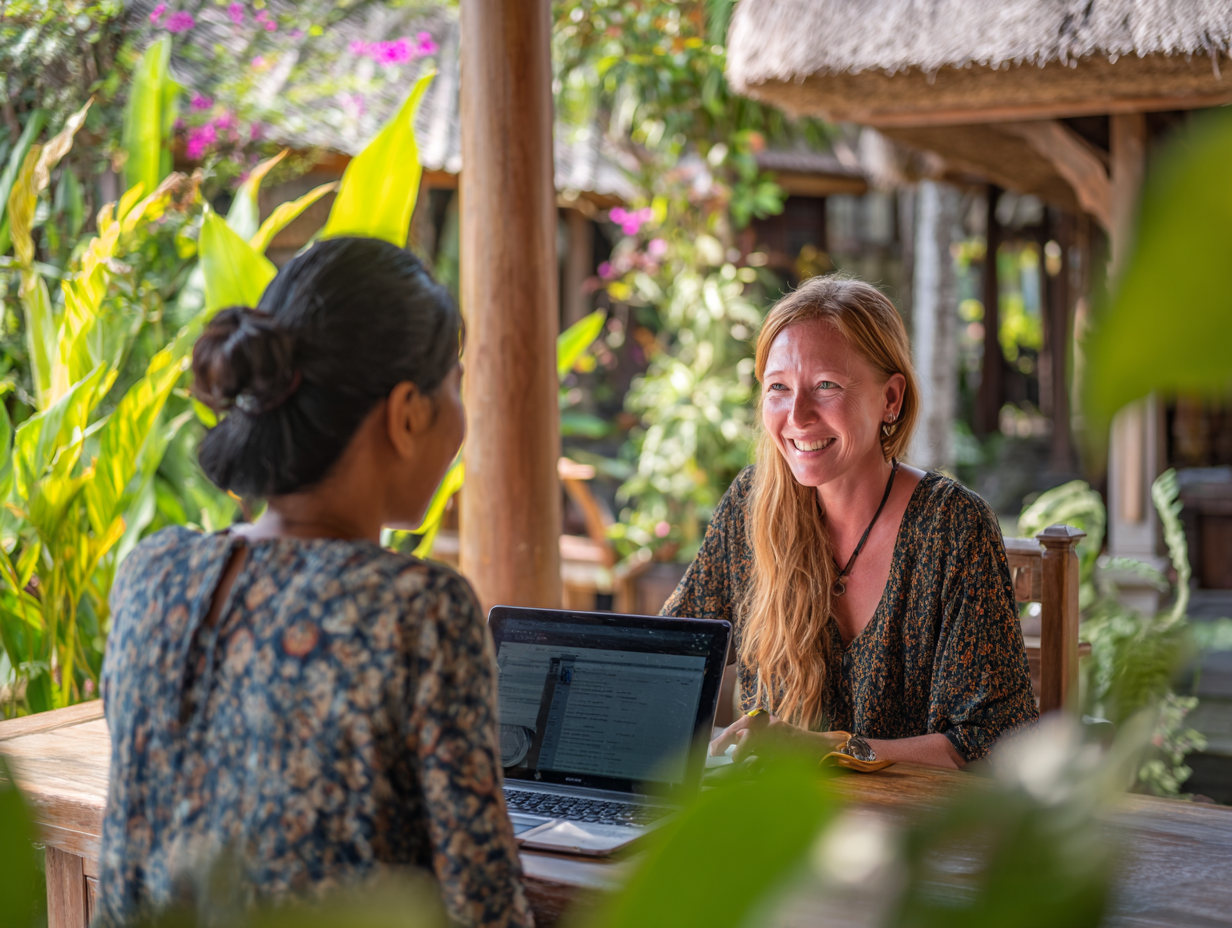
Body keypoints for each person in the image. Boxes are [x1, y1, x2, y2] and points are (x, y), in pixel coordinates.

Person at [97, 238, 533, 927]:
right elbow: (486, 907)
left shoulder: (153, 573)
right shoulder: (417, 610)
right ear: (407, 414)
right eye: (455, 384)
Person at [663, 276, 1038, 769]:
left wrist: (828, 749)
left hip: (913, 834)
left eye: (826, 386)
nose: (797, 415)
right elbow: (670, 660)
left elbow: (995, 742)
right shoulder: (751, 507)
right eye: (778, 388)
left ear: (891, 399)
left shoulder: (952, 526)